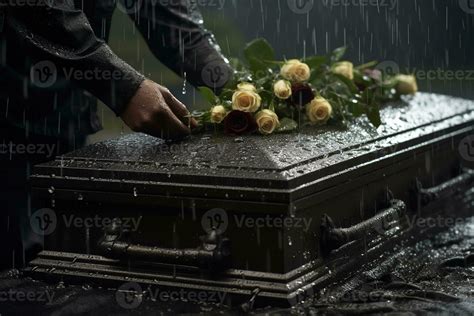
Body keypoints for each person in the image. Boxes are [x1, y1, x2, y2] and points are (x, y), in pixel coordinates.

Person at [0, 0, 231, 270]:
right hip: (8, 109)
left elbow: (171, 20)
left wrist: (241, 91)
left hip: (64, 117)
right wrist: (123, 86)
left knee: (55, 256)